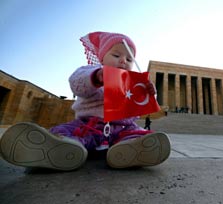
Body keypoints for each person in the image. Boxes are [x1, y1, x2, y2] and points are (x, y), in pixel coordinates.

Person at [0, 31, 171, 171]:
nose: (122, 61)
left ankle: (130, 151)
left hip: (122, 129)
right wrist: (97, 77)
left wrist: (147, 93)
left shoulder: (131, 84)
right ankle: (63, 147)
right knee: (70, 133)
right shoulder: (91, 70)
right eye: (117, 55)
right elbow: (76, 84)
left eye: (129, 59)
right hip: (89, 126)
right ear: (102, 58)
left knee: (135, 135)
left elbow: (137, 109)